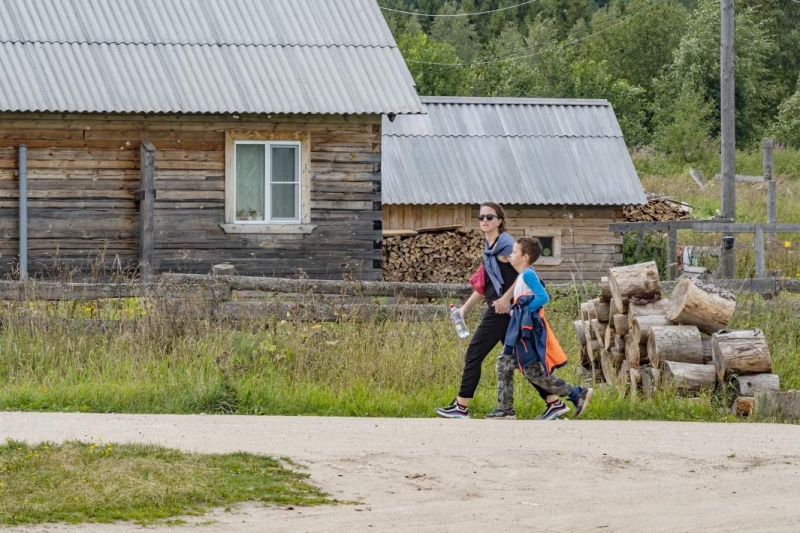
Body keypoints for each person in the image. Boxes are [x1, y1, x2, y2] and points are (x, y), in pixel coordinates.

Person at [435, 203, 550, 419]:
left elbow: (525, 272)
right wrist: (465, 309)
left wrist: (506, 299)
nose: (484, 220)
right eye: (481, 217)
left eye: (489, 216)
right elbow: (486, 285)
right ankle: (554, 402)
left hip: (502, 310)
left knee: (474, 353)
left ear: (499, 220)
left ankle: (461, 407)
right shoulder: (490, 248)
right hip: (500, 308)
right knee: (521, 357)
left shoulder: (506, 244)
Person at [493, 237, 593, 420]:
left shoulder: (528, 274)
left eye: (515, 252)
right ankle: (505, 409)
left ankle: (576, 393)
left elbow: (543, 297)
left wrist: (526, 311)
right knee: (504, 363)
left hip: (526, 331)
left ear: (525, 257)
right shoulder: (522, 276)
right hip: (517, 330)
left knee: (531, 370)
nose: (511, 254)